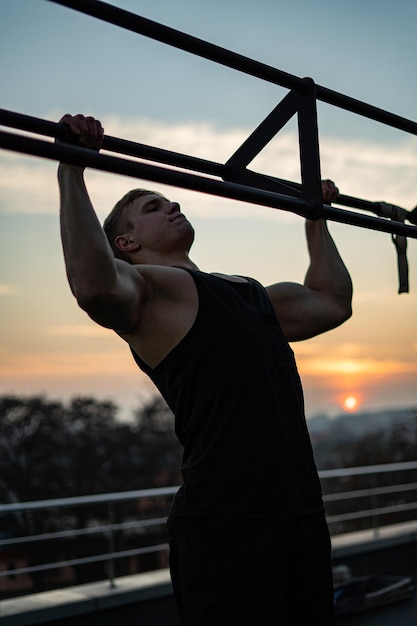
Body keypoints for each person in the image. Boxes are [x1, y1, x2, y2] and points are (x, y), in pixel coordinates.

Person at [57, 113, 353, 626]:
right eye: (152, 207)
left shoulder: (247, 291)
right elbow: (93, 285)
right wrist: (73, 169)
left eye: (171, 200)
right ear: (125, 245)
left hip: (301, 513)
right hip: (225, 528)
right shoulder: (148, 295)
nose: (172, 204)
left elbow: (332, 300)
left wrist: (315, 215)